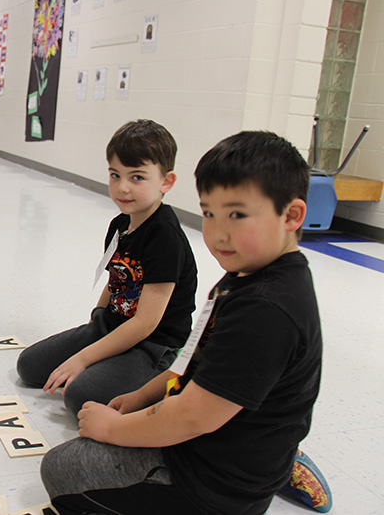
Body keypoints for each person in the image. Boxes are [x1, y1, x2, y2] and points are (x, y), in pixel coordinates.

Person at [40, 131, 324, 515]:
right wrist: (142, 397)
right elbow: (192, 358)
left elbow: (193, 415)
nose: (218, 234)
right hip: (210, 438)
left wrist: (113, 429)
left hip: (216, 486)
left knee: (61, 470)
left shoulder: (268, 308)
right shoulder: (242, 274)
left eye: (237, 215)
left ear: (290, 215)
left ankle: (283, 466)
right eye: (209, 213)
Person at [16, 120, 197, 416]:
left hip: (153, 345)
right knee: (29, 366)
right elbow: (116, 277)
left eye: (137, 177)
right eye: (115, 175)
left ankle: (151, 376)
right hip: (113, 326)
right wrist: (94, 326)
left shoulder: (165, 237)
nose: (122, 188)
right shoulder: (121, 222)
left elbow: (146, 323)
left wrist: (84, 358)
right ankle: (107, 357)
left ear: (167, 182)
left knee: (79, 396)